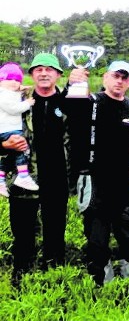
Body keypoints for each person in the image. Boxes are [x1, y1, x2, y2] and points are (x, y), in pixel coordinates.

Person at [67, 61, 129, 285]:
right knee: (97, 232)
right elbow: (70, 111)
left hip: (125, 176)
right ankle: (100, 273)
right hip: (95, 176)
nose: (119, 81)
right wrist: (72, 84)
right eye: (116, 76)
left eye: (125, 77)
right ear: (105, 78)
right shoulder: (91, 102)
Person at [0, 53, 71, 284]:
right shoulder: (13, 99)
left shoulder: (68, 101)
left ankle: (54, 270)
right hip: (23, 178)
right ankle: (21, 270)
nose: (43, 73)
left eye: (49, 69)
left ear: (58, 75)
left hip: (57, 178)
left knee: (55, 227)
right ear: (31, 74)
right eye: (38, 69)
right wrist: (3, 144)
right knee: (22, 229)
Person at [0, 62, 39, 197]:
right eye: (10, 79)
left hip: (8, 129)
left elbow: (14, 90)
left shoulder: (7, 91)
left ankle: (1, 181)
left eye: (17, 80)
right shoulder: (3, 94)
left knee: (8, 156)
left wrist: (21, 89)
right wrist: (27, 103)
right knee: (21, 149)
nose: (14, 83)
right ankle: (23, 176)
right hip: (8, 130)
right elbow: (13, 107)